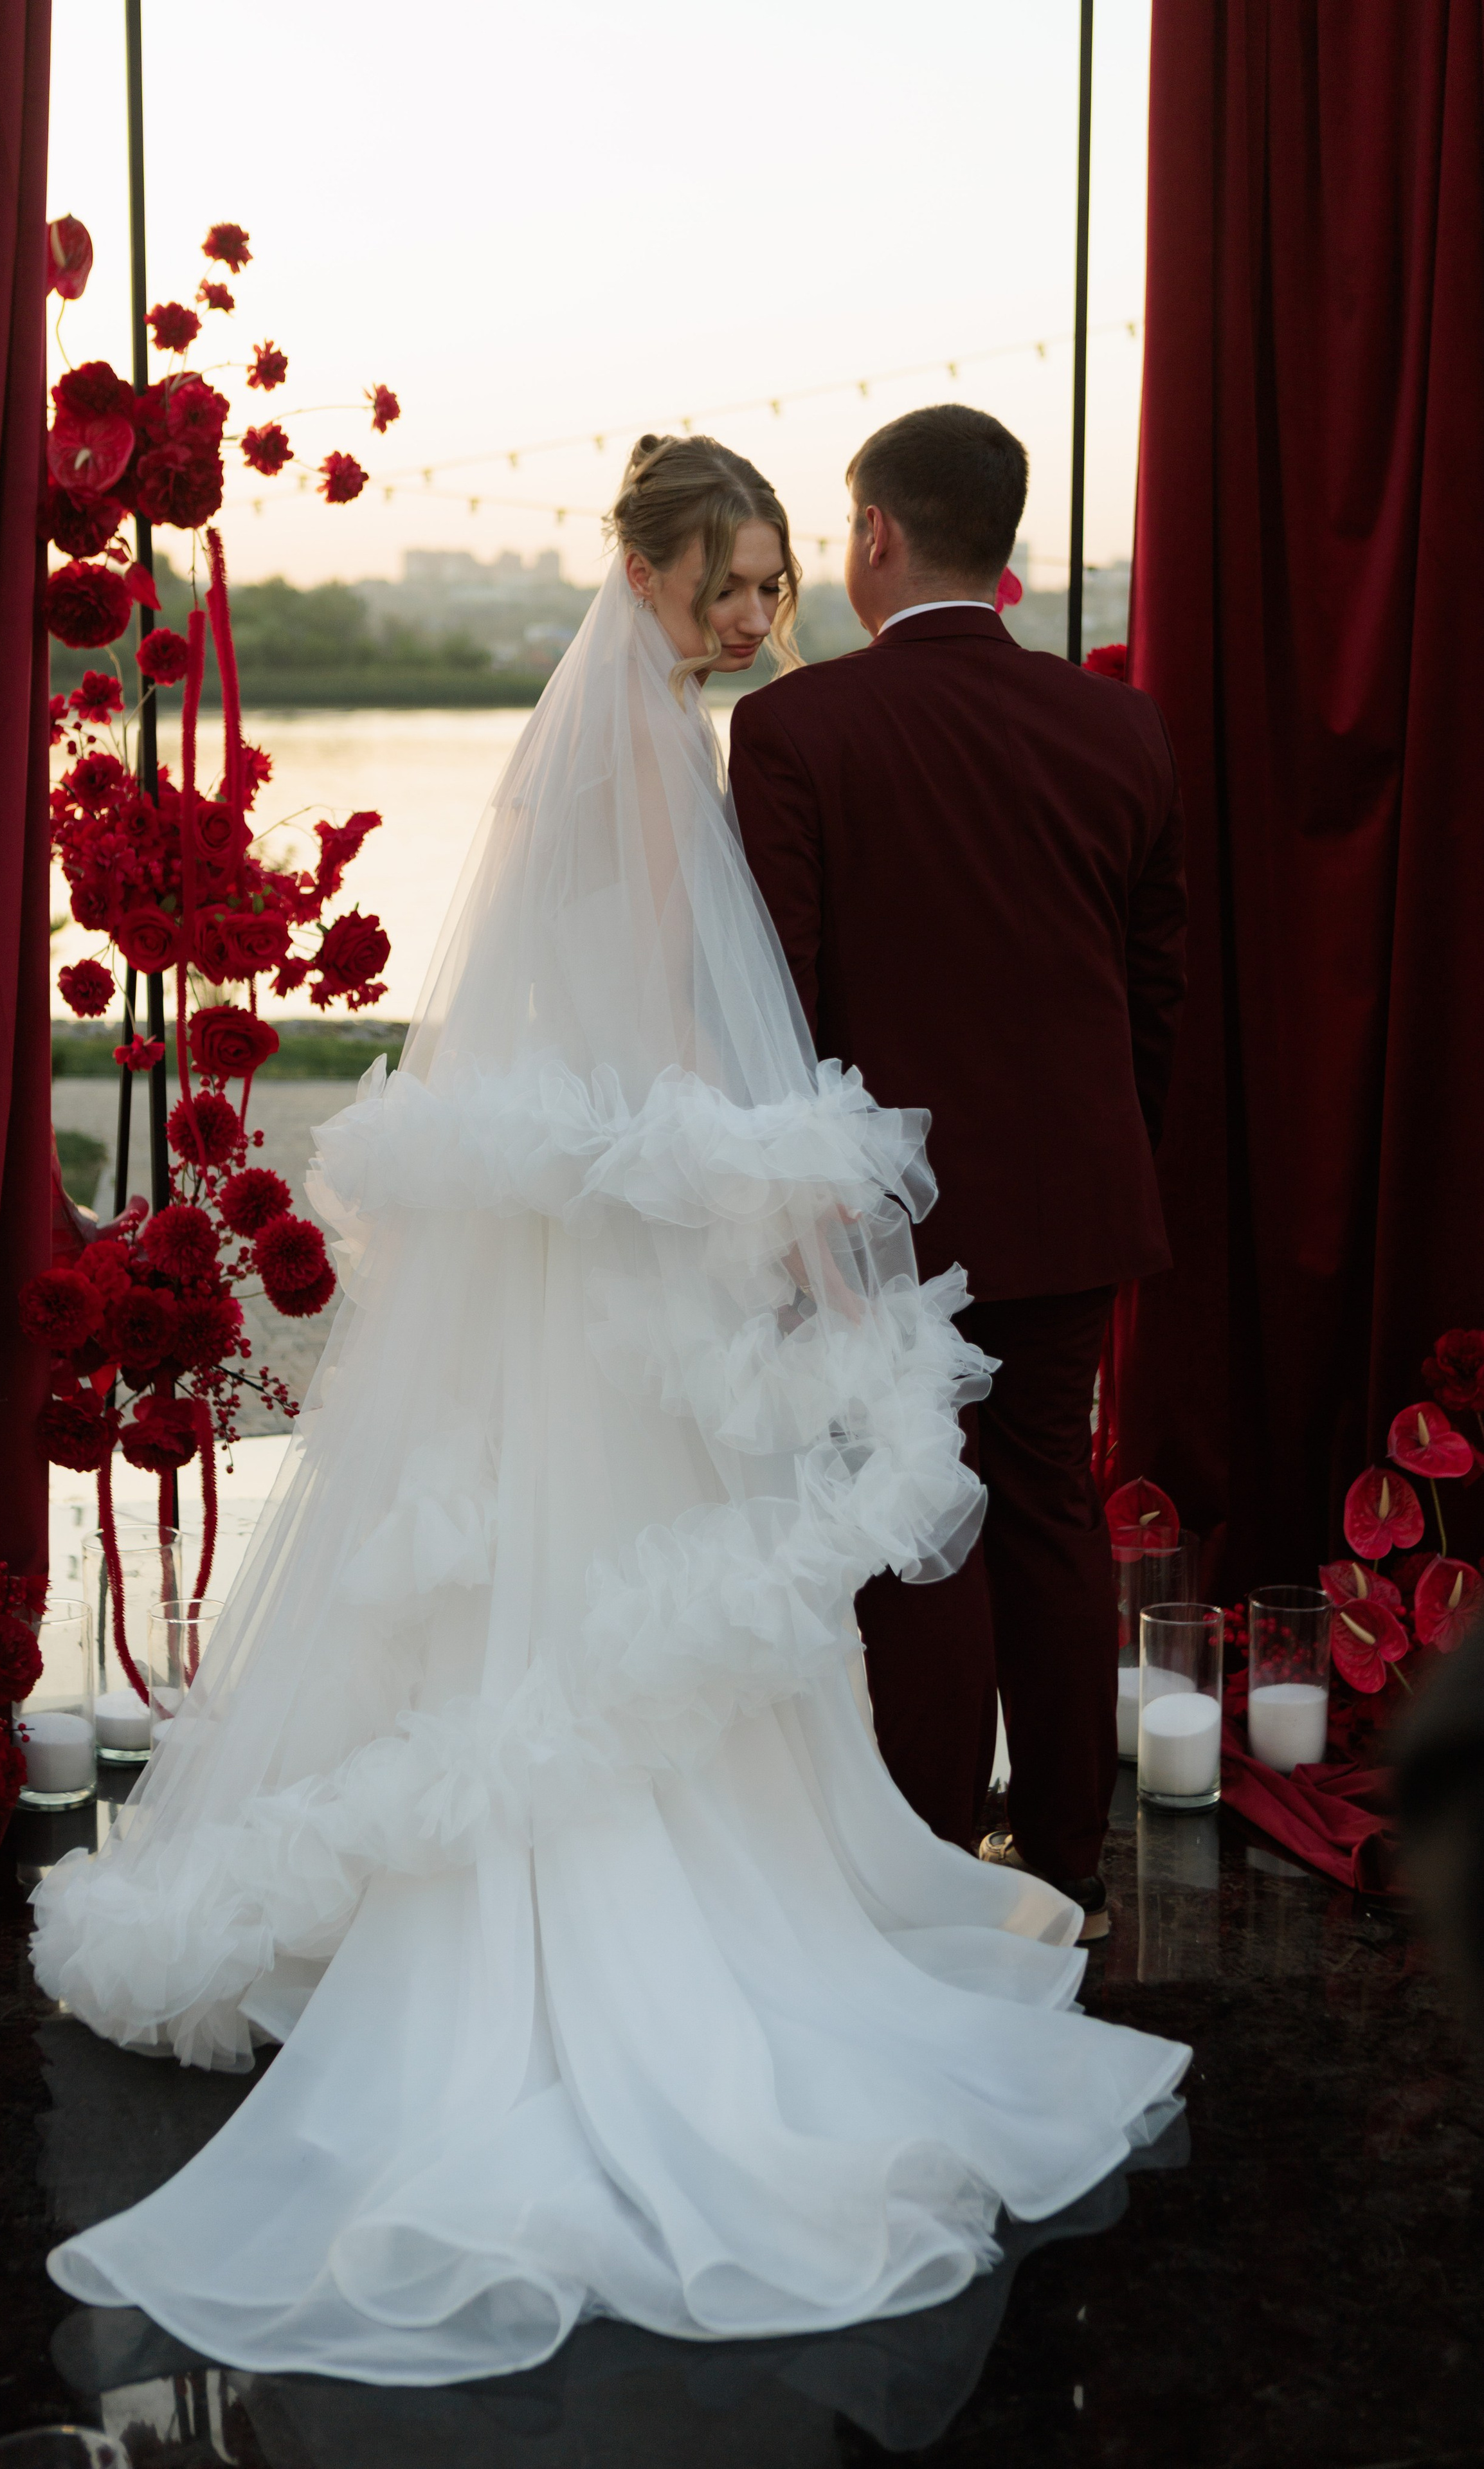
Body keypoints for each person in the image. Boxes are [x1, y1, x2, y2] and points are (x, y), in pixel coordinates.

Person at [32, 433, 1188, 2384]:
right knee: (887, 1529)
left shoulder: (708, 734)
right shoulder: (760, 747)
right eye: (733, 585)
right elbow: (691, 1007)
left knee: (604, 1553)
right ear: (657, 573)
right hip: (769, 1190)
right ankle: (1010, 1855)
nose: (760, 617)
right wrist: (754, 1182)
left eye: (774, 581)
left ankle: (909, 1843)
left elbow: (713, 991)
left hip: (630, 1194)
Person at [730, 405, 1188, 1942]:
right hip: (1074, 1204)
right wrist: (1099, 1152)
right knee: (1046, 1504)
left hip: (878, 1220)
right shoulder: (1118, 727)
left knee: (908, 1524)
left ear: (872, 535)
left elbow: (777, 1000)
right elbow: (1153, 993)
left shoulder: (798, 731)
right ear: (1004, 544)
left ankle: (927, 1867)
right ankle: (1064, 1858)